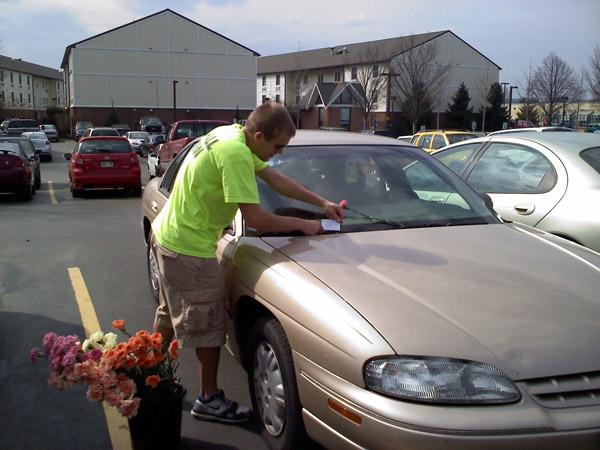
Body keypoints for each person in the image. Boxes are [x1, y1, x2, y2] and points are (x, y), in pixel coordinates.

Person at [152, 102, 344, 423]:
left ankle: (146, 374)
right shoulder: (236, 154)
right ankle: (208, 399)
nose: (278, 154)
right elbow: (256, 219)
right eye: (277, 146)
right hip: (189, 249)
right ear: (258, 136)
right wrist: (305, 225)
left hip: (170, 237)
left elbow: (275, 179)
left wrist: (322, 203)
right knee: (209, 326)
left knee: (168, 315)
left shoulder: (230, 135)